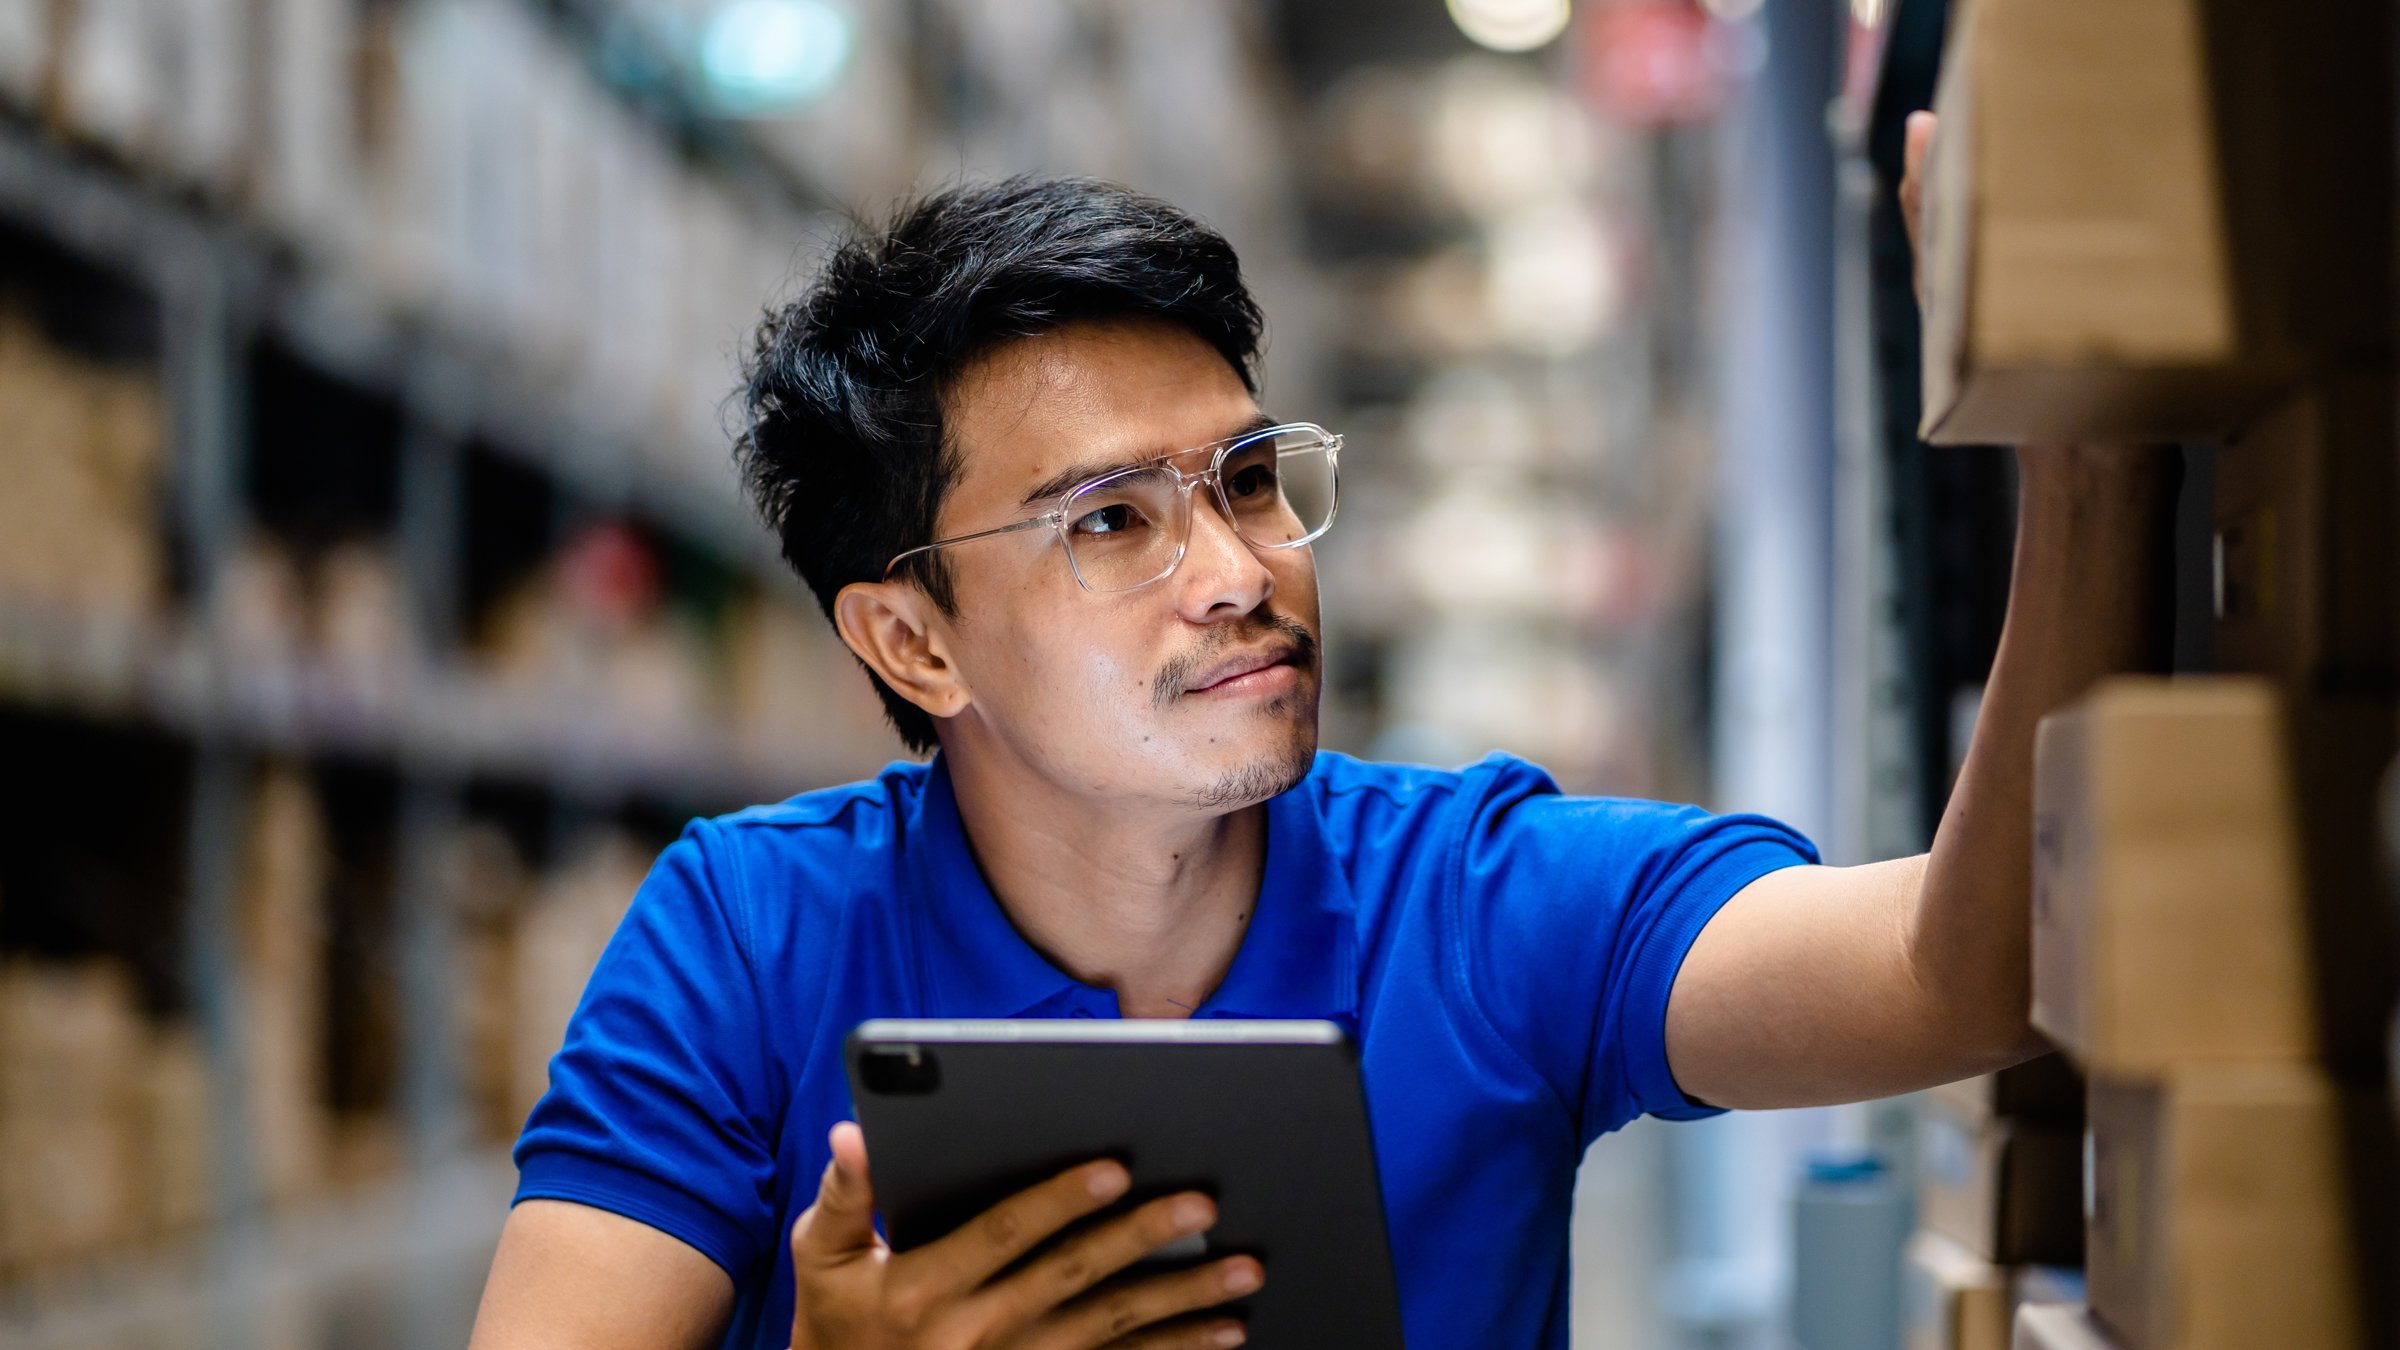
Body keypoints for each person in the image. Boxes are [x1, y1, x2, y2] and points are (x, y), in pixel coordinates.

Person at [467, 115, 2173, 1350]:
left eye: (1249, 479)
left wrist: (2081, 453)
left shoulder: (1480, 902)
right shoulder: (747, 936)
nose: (1237, 569)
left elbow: (1976, 971)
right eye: (1111, 523)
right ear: (914, 638)